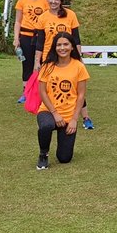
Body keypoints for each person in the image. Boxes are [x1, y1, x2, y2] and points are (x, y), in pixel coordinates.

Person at [36, 0, 94, 130]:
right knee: (52, 89)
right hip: (50, 58)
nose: (53, 1)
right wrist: (37, 61)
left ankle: (85, 117)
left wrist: (79, 59)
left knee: (75, 89)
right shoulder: (43, 17)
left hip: (68, 57)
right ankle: (52, 115)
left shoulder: (70, 15)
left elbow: (76, 39)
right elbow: (40, 42)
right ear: (47, 0)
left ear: (61, 0)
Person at [36, 31, 89, 169]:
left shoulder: (79, 67)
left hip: (68, 115)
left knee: (64, 158)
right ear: (54, 47)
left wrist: (74, 120)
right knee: (46, 126)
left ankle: (62, 134)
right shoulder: (47, 66)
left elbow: (81, 95)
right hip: (48, 111)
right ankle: (43, 154)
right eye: (58, 45)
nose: (62, 48)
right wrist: (54, 113)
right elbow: (42, 92)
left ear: (72, 47)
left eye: (66, 44)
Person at [13, 0, 47, 97]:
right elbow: (17, 21)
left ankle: (42, 91)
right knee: (26, 63)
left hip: (41, 35)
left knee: (43, 62)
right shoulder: (22, 0)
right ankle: (26, 92)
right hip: (26, 35)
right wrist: (16, 38)